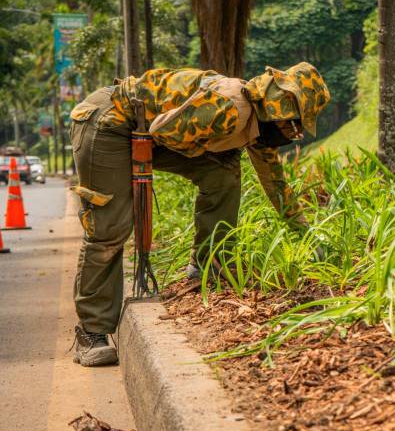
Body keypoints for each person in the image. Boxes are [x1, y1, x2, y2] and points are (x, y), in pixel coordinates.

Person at [69, 64, 330, 366]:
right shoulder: (230, 108)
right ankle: (92, 331)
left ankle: (209, 265)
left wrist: (304, 232)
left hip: (152, 130)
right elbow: (163, 130)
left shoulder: (255, 127)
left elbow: (275, 184)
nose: (294, 134)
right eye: (294, 125)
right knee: (110, 226)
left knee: (223, 173)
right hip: (110, 122)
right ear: (280, 108)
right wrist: (217, 147)